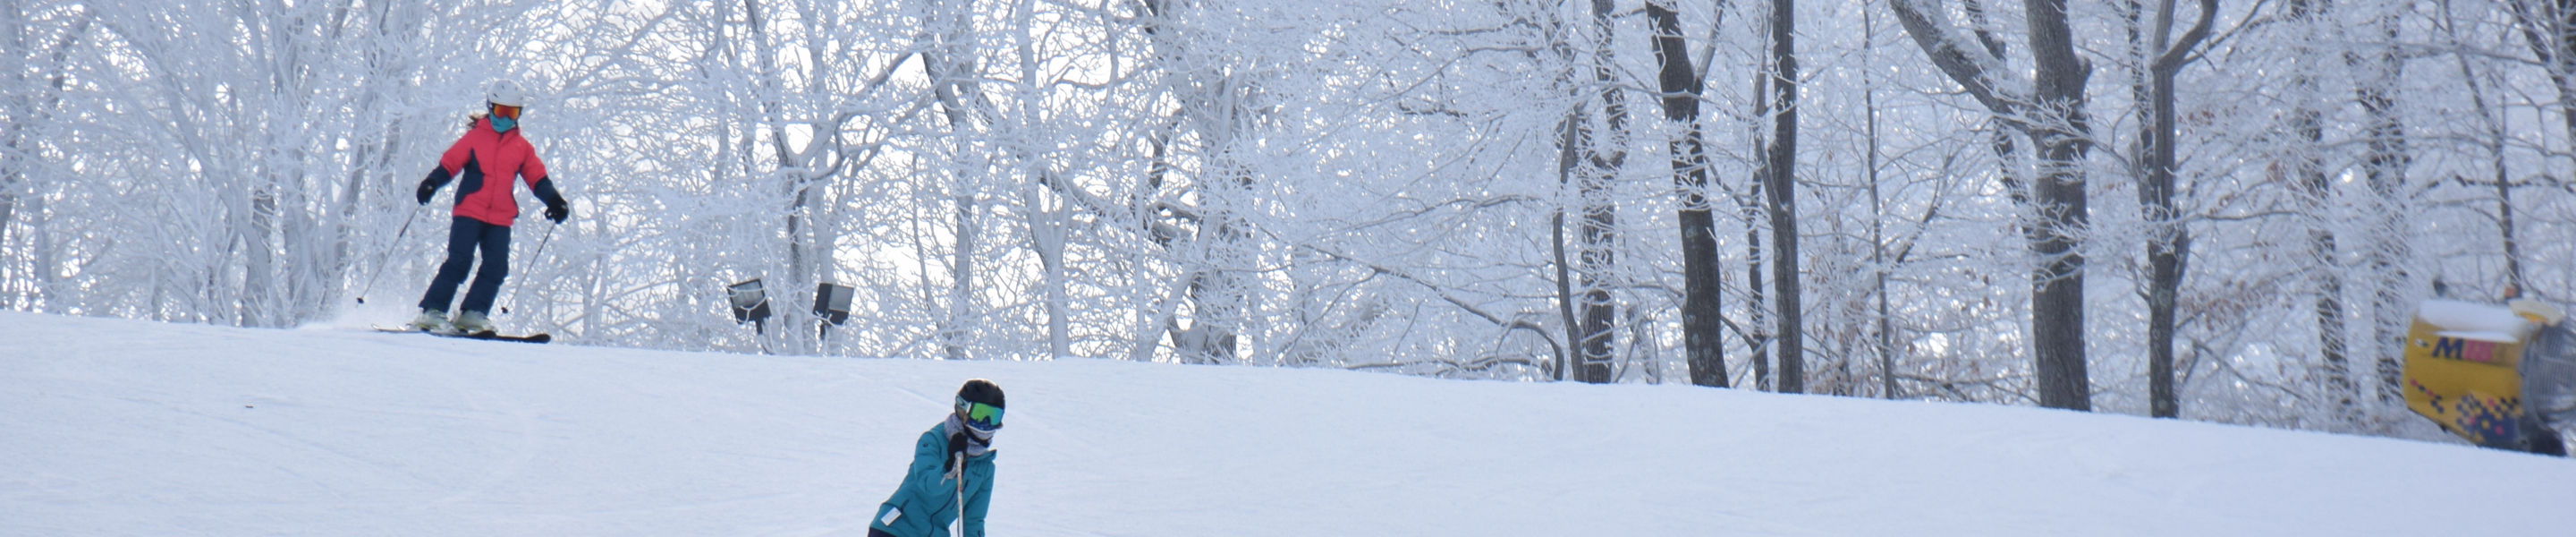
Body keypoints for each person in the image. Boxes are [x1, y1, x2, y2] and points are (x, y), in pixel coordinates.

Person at [408, 79, 571, 334]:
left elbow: (537, 178)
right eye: (501, 111)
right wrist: (431, 183)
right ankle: (432, 311)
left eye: (512, 113)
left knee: (497, 266)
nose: (505, 118)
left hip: (500, 217)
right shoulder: (474, 139)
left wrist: (555, 201)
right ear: (490, 107)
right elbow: (449, 164)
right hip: (469, 211)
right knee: (460, 260)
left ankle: (473, 313)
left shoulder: (522, 148)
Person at [869, 379, 1003, 537]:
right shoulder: (933, 440)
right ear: (963, 410)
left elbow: (973, 520)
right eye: (980, 414)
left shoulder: (985, 467)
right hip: (896, 528)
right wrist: (951, 467)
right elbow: (928, 485)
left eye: (994, 416)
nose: (986, 423)